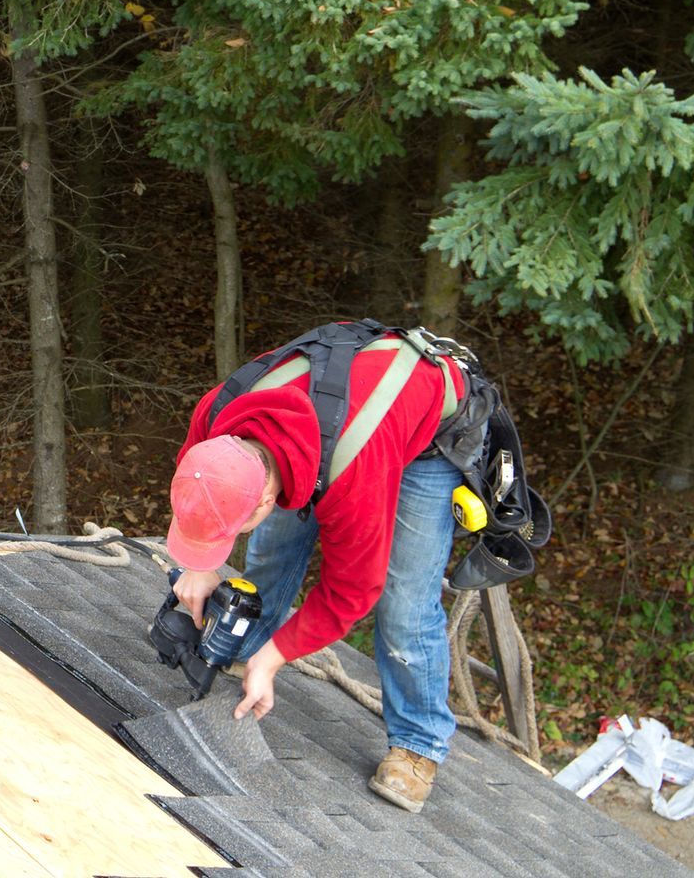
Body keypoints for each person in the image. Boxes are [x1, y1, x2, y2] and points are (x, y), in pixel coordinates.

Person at [163, 327, 472, 813]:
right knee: (271, 552)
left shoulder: (355, 475)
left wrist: (275, 659)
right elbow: (196, 482)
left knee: (403, 605)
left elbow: (352, 592)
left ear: (266, 498)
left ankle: (418, 743)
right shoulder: (220, 412)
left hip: (426, 437)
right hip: (324, 422)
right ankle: (244, 643)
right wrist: (198, 566)